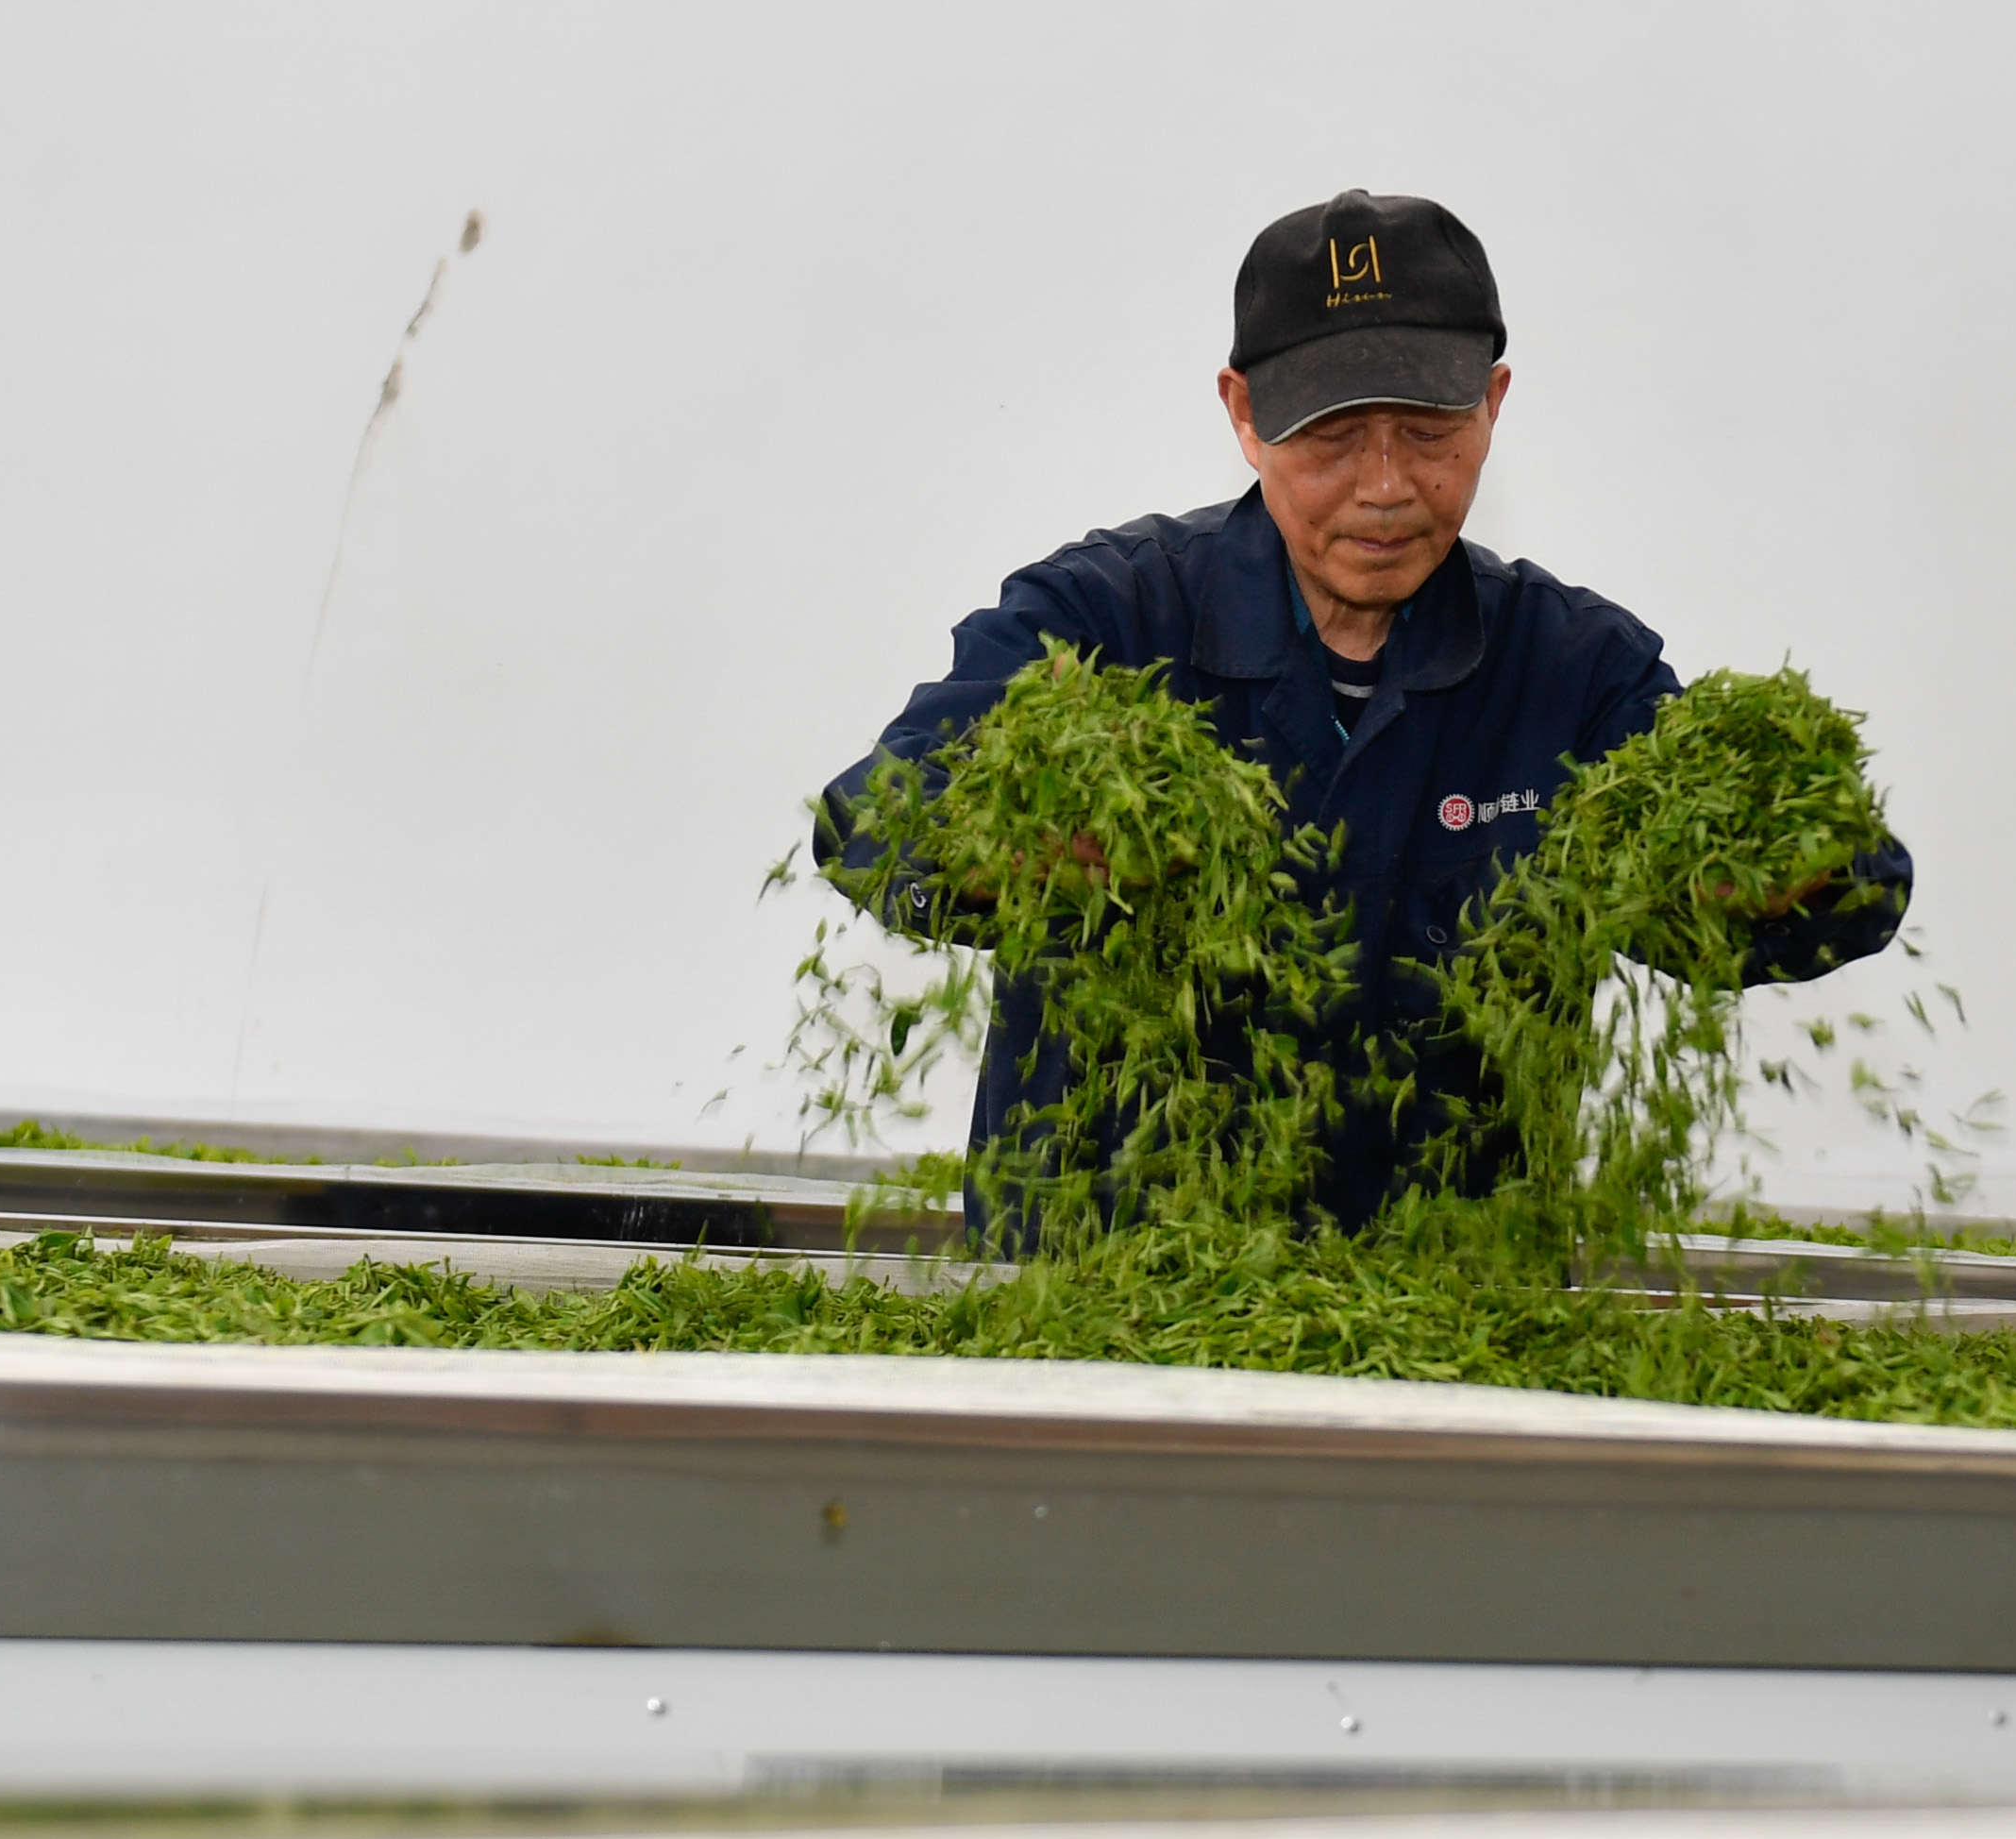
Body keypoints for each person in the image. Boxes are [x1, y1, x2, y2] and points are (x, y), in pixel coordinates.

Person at [815, 187, 1913, 1229]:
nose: (1385, 487)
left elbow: (1838, 883)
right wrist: (1005, 846)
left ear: (1493, 404)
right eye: (1334, 438)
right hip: (1101, 1305)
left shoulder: (1577, 675)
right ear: (1245, 413)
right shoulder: (1102, 621)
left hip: (1455, 1314)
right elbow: (872, 819)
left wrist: (1782, 883)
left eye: (1429, 432)